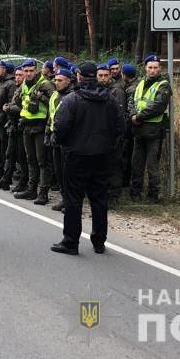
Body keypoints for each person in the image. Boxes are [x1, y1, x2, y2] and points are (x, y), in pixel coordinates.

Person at [50, 62, 124, 255]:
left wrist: (63, 142)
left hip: (76, 155)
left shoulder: (72, 99)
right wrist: (108, 145)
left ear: (79, 76)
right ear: (96, 76)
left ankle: (71, 242)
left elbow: (61, 126)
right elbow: (120, 127)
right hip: (102, 156)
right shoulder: (109, 99)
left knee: (73, 199)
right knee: (99, 199)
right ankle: (99, 241)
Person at [129, 54, 171, 203]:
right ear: (145, 68)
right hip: (139, 130)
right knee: (136, 164)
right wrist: (133, 114)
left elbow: (158, 106)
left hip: (154, 130)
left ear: (160, 68)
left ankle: (153, 196)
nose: (153, 70)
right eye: (150, 67)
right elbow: (132, 100)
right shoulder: (140, 83)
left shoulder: (163, 85)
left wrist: (138, 117)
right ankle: (135, 193)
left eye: (155, 67)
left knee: (152, 165)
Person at [15, 59, 56, 205]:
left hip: (40, 127)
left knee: (43, 161)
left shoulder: (45, 84)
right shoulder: (25, 84)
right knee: (30, 159)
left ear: (36, 70)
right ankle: (31, 189)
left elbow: (55, 103)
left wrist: (41, 97)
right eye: (25, 71)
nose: (28, 74)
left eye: (31, 71)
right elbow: (21, 102)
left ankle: (43, 193)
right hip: (27, 125)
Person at [97, 63, 127, 202]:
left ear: (110, 76)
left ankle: (114, 195)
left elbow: (119, 115)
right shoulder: (97, 90)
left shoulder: (116, 90)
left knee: (114, 164)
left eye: (105, 75)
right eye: (100, 76)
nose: (103, 78)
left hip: (113, 135)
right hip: (99, 135)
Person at [46, 68, 75, 212]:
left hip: (67, 140)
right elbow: (51, 116)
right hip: (55, 137)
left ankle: (71, 201)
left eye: (60, 80)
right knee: (58, 170)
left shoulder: (73, 97)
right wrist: (48, 133)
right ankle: (64, 199)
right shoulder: (55, 95)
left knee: (68, 172)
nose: (57, 83)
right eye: (55, 80)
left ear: (68, 81)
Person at [120, 64, 138, 186]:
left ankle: (126, 181)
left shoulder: (131, 89)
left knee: (127, 153)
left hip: (131, 126)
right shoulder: (135, 85)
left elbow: (130, 108)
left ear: (125, 75)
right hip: (134, 126)